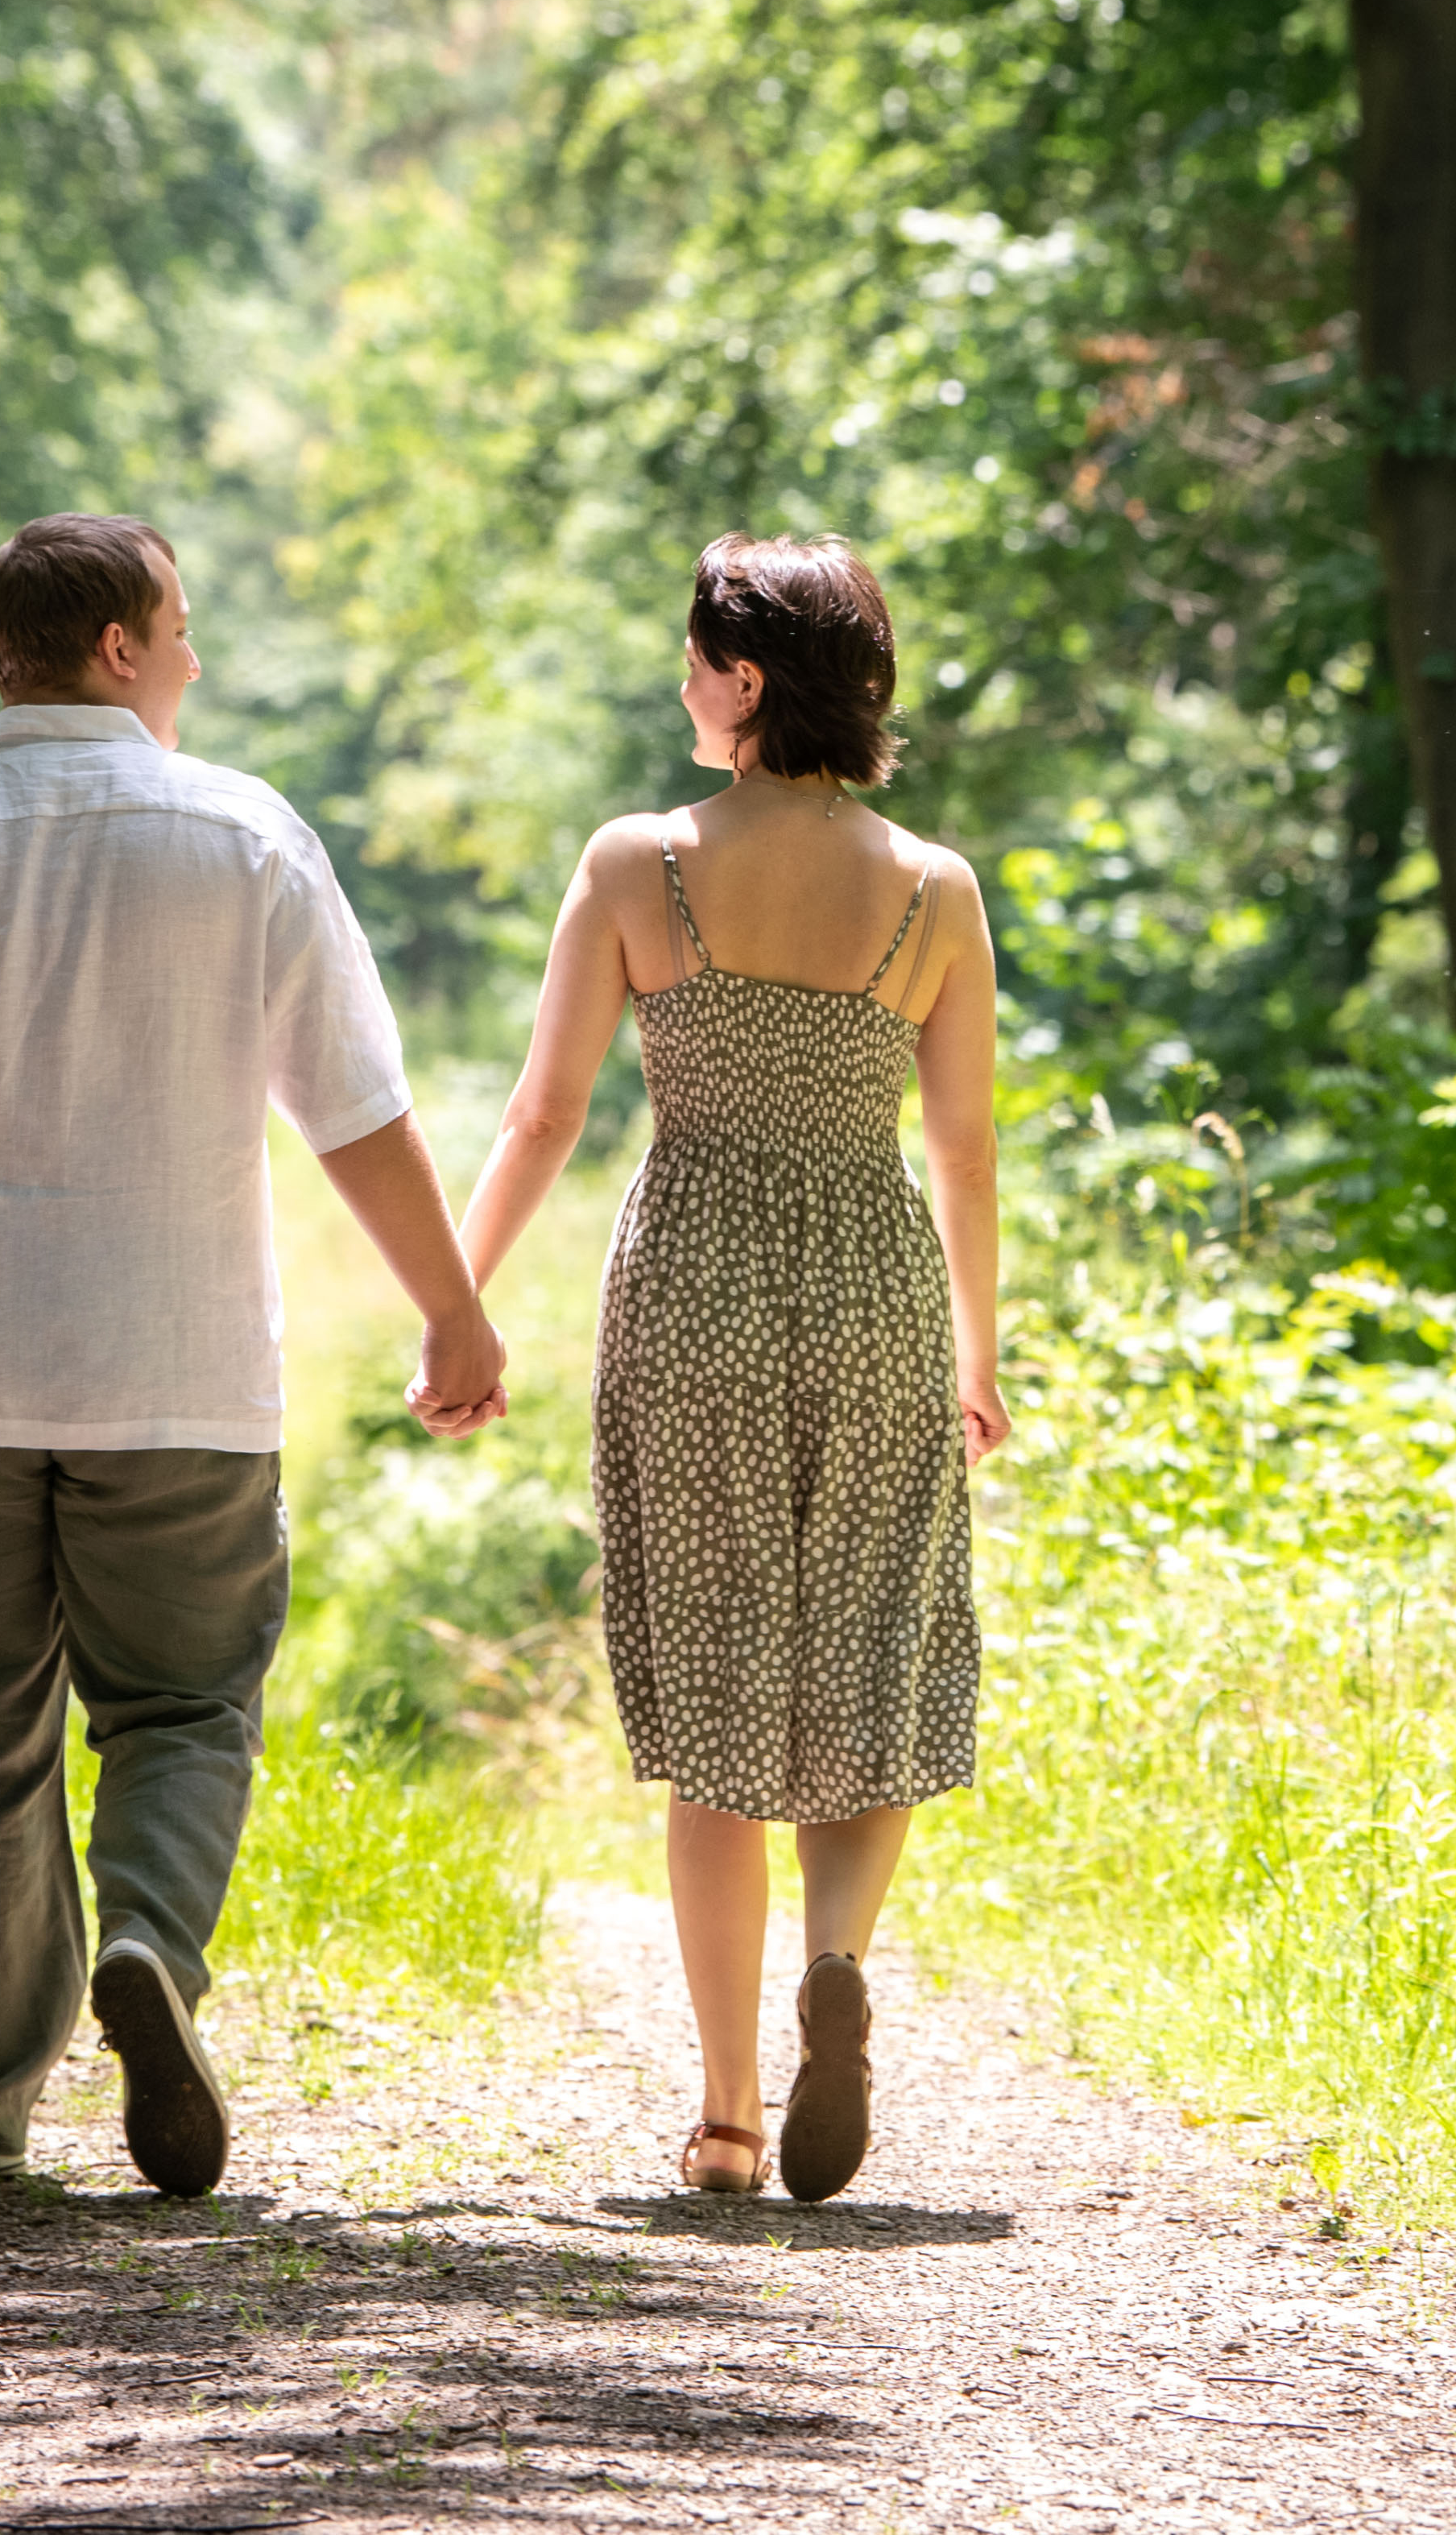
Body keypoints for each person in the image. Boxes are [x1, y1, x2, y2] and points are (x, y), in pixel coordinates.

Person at [0, 513, 505, 2197]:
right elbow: (358, 1112)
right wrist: (451, 1302)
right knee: (184, 1701)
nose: (198, 656)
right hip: (182, 1373)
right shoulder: (244, 834)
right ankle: (148, 1937)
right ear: (114, 648)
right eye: (182, 624)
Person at [454, 533, 1003, 2203]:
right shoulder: (935, 885)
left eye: (698, 658)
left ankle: (728, 2112)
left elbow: (543, 1112)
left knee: (716, 1699)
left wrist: (454, 1296)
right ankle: (838, 1955)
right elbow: (967, 1144)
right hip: (876, 1286)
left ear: (748, 677)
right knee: (867, 1656)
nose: (682, 684)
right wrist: (980, 1350)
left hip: (692, 1283)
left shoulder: (640, 862)